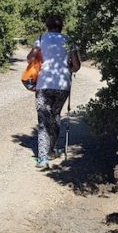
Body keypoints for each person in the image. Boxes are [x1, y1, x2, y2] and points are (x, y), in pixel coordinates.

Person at [27, 13, 81, 170]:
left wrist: (41, 60)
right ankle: (51, 149)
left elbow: (30, 58)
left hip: (44, 83)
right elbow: (76, 66)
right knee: (55, 115)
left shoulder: (41, 39)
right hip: (63, 84)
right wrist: (67, 70)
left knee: (43, 120)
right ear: (61, 26)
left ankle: (43, 159)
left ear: (47, 25)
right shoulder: (68, 40)